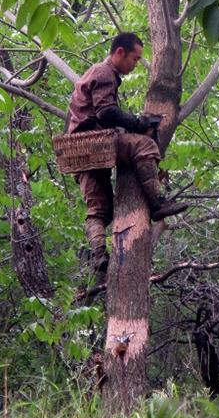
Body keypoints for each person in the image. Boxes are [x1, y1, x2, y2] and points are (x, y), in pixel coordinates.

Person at [66, 32, 188, 279]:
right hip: (92, 142)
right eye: (134, 58)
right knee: (143, 146)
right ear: (119, 52)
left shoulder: (97, 74)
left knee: (99, 209)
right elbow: (105, 113)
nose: (135, 64)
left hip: (77, 151)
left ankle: (99, 254)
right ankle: (157, 203)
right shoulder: (103, 73)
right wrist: (137, 123)